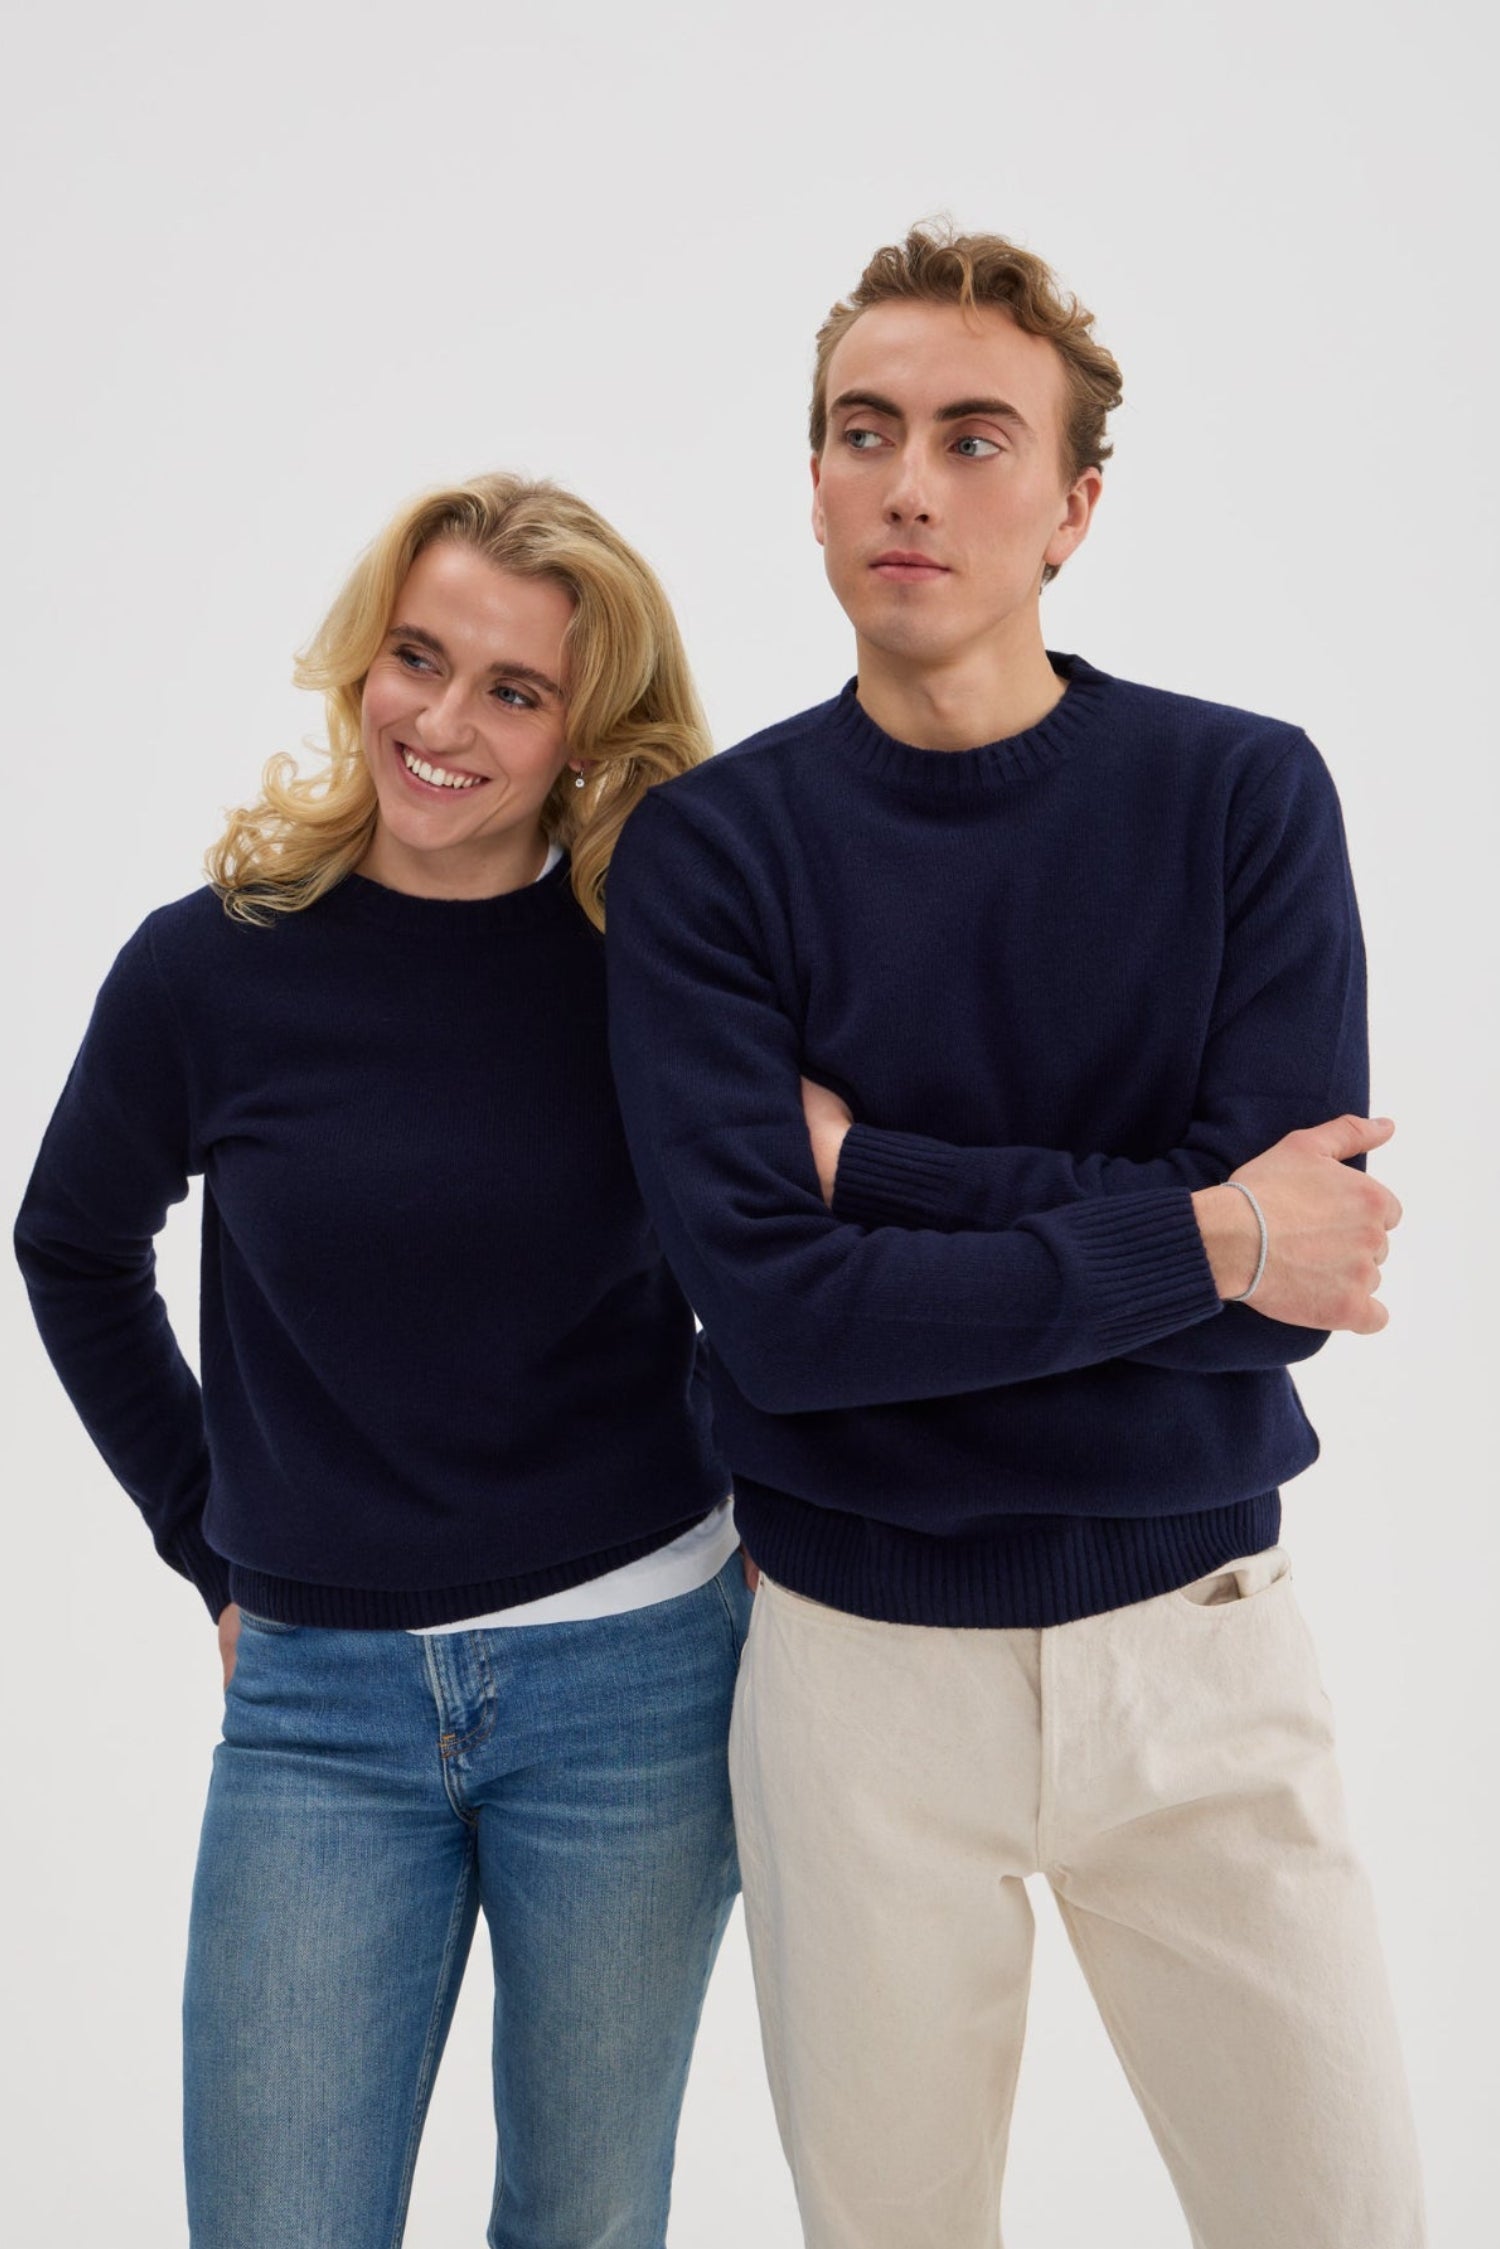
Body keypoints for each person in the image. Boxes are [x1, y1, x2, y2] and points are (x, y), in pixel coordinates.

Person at [605, 227, 1424, 2247]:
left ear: (1073, 505)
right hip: (856, 1684)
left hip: (1202, 1667)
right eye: (862, 432)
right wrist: (1207, 1229)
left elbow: (1287, 1308)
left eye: (976, 438)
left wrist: (875, 1167)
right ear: (809, 480)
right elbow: (782, 1333)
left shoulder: (1240, 798)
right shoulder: (716, 853)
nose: (908, 482)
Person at [14, 472, 749, 2249]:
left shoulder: (646, 972)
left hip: (639, 1684)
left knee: (581, 2221)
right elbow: (70, 1243)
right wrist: (208, 1533)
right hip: (319, 1704)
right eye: (417, 656)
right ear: (362, 659)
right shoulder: (210, 970)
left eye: (514, 688)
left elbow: (784, 1250)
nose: (441, 719)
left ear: (585, 732)